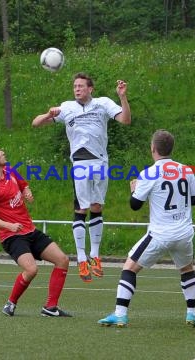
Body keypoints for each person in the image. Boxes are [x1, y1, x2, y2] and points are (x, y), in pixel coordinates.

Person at [97, 130, 195, 328]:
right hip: (183, 232)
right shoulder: (186, 170)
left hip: (160, 234)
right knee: (187, 269)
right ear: (171, 149)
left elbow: (135, 204)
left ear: (153, 149)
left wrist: (134, 190)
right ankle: (192, 314)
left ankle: (120, 313)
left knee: (129, 268)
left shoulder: (148, 173)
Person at [31, 72, 131, 283]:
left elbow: (125, 120)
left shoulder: (103, 103)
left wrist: (122, 97)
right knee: (81, 209)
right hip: (80, 163)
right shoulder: (67, 107)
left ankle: (95, 255)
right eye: (75, 86)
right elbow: (35, 123)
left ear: (90, 89)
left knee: (97, 206)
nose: (77, 89)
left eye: (81, 86)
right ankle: (81, 257)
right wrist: (49, 114)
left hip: (101, 162)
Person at [0, 142, 71, 317]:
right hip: (12, 236)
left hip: (29, 230)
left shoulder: (10, 170)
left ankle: (50, 307)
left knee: (63, 260)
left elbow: (23, 184)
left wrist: (27, 191)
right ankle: (10, 304)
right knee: (31, 270)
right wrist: (9, 226)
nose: (2, 151)